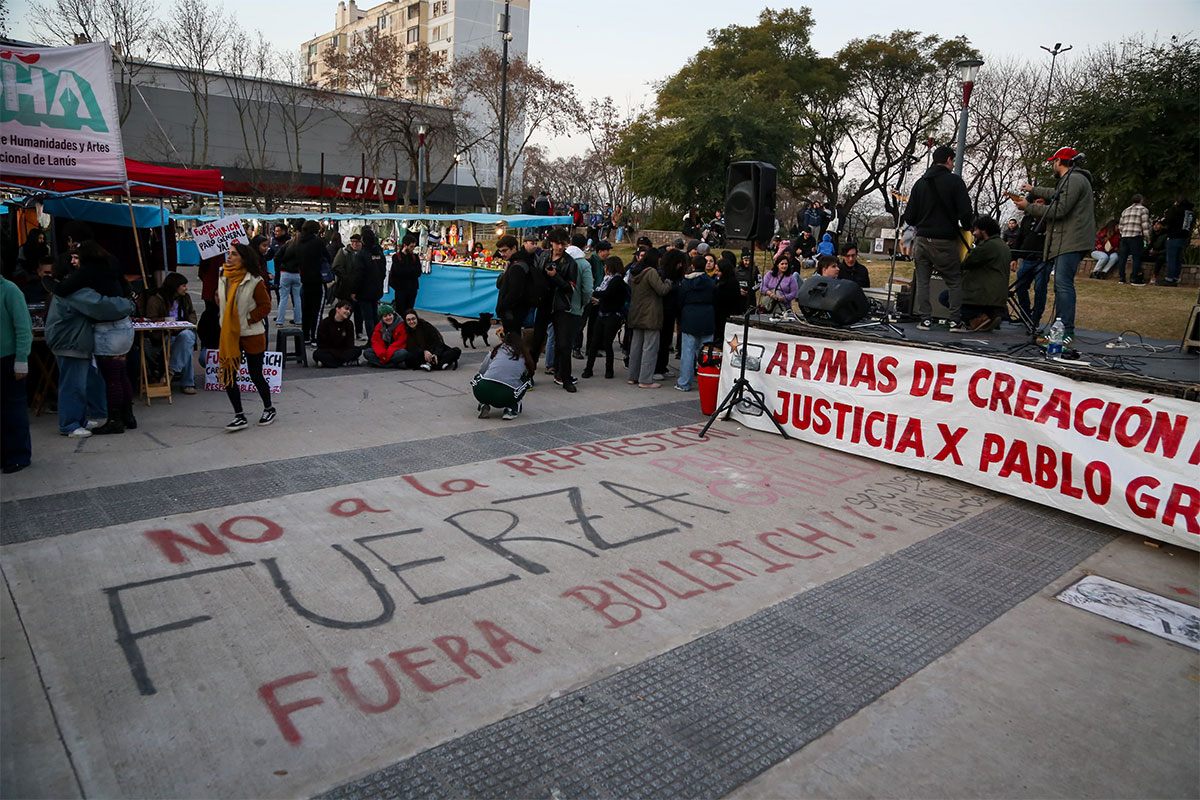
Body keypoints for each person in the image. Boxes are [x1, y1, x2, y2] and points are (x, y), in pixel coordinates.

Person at [1015, 146, 1095, 343]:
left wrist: (1029, 207)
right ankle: (1059, 329)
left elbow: (1059, 209)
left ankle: (1065, 331)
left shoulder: (1075, 180)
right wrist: (1033, 189)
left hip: (1071, 241)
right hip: (1068, 240)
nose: (1052, 164)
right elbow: (1056, 193)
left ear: (1059, 161)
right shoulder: (1071, 180)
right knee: (1061, 286)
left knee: (1064, 285)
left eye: (1054, 161)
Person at [55, 241, 137, 434]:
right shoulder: (111, 263)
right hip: (123, 325)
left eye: (76, 257)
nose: (73, 261)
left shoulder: (89, 270)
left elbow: (62, 289)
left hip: (107, 329)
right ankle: (128, 416)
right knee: (121, 373)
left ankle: (115, 420)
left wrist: (50, 281)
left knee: (111, 377)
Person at [903, 144, 973, 331]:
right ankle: (954, 321)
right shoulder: (955, 182)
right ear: (949, 160)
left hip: (922, 239)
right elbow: (966, 213)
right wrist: (967, 228)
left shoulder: (920, 183)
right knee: (954, 281)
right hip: (945, 240)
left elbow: (909, 217)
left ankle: (925, 320)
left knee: (923, 281)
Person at [217, 242, 275, 431]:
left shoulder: (254, 280)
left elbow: (265, 306)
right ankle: (239, 415)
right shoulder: (223, 276)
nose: (229, 257)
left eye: (234, 254)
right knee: (229, 374)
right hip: (229, 334)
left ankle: (269, 408)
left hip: (251, 334)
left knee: (255, 374)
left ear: (243, 258)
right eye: (229, 253)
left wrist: (248, 319)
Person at [543, 230, 593, 392]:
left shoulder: (570, 261)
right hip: (551, 305)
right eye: (557, 243)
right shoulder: (544, 257)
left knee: (561, 343)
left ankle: (563, 376)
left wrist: (555, 276)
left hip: (560, 306)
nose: (560, 247)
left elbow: (569, 287)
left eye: (563, 244)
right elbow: (586, 290)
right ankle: (539, 375)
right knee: (548, 341)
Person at [943, 215, 1011, 332]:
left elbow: (967, 263)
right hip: (998, 294)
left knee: (945, 297)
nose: (973, 233)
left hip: (984, 293)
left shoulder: (987, 246)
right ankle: (989, 315)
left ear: (983, 230)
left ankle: (977, 318)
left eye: (975, 230)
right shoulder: (1002, 245)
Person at [144, 272, 199, 394]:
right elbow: (151, 319)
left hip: (182, 333)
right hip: (163, 336)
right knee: (186, 345)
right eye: (183, 285)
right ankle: (188, 383)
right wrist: (169, 324)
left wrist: (186, 324)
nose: (186, 288)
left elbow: (192, 314)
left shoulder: (185, 298)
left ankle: (170, 372)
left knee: (187, 337)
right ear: (175, 286)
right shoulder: (156, 299)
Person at [1, 275, 33, 473]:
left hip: (9, 358)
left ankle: (18, 455)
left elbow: (23, 327)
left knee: (13, 408)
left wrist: (21, 360)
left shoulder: (10, 290)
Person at [626, 248, 671, 388]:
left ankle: (633, 376)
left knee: (636, 347)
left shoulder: (634, 272)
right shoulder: (651, 272)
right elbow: (662, 290)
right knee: (650, 347)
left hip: (636, 312)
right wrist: (669, 281)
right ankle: (645, 379)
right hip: (650, 314)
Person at [674, 255, 716, 392]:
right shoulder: (710, 282)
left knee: (687, 352)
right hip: (707, 316)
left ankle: (684, 382)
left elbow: (680, 300)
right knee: (706, 351)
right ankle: (706, 378)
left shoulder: (686, 282)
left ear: (692, 266)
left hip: (689, 316)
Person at [473, 330, 534, 420]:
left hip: (482, 392)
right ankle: (511, 409)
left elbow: (482, 370)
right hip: (506, 396)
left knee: (477, 377)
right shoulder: (524, 356)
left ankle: (484, 403)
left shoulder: (495, 351)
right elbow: (527, 373)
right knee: (527, 381)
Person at [582, 256, 626, 380]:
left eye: (606, 266)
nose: (605, 268)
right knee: (594, 343)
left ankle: (609, 370)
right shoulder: (607, 279)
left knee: (607, 343)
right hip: (603, 314)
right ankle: (588, 369)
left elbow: (608, 294)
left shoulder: (617, 280)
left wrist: (592, 293)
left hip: (612, 316)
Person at [1013, 198, 1051, 328]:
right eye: (1035, 202)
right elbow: (1020, 238)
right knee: (1020, 287)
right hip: (1027, 258)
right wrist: (1014, 257)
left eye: (1040, 202)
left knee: (1040, 289)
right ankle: (1025, 314)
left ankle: (1035, 318)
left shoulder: (1050, 220)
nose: (1037, 204)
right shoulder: (1027, 219)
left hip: (1042, 260)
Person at [353, 228, 387, 342]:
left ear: (362, 239)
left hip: (365, 290)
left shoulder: (362, 254)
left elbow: (358, 275)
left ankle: (373, 341)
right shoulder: (379, 253)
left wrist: (355, 291)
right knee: (375, 316)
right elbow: (383, 271)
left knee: (368, 317)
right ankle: (378, 338)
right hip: (376, 288)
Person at [1114, 193, 1152, 286]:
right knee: (1136, 257)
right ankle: (1134, 278)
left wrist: (1123, 233)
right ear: (1141, 201)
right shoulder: (1143, 210)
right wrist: (1147, 237)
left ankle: (1122, 278)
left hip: (1125, 236)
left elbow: (1121, 225)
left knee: (1123, 258)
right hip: (1136, 236)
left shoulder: (1125, 210)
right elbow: (1145, 225)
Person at [313, 300, 362, 368]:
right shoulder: (325, 323)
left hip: (343, 351)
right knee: (317, 354)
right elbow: (321, 344)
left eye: (350, 310)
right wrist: (335, 353)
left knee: (357, 350)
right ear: (337, 309)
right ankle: (345, 362)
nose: (348, 312)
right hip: (329, 351)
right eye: (346, 309)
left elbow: (350, 343)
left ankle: (329, 363)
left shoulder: (349, 324)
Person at [332, 232, 363, 337]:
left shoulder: (363, 253)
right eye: (353, 242)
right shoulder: (344, 252)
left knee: (359, 312)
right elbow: (336, 267)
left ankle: (359, 331)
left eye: (357, 242)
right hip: (345, 288)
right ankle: (342, 331)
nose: (354, 244)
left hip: (359, 288)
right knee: (346, 311)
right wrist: (347, 277)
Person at [272, 222, 302, 328]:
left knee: (283, 298)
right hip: (297, 274)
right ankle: (298, 320)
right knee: (297, 298)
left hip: (285, 274)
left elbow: (276, 257)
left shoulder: (287, 244)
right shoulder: (301, 246)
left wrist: (280, 267)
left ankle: (280, 321)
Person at [1162, 197, 1195, 287]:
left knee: (1171, 259)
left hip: (1174, 236)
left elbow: (1168, 220)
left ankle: (1169, 279)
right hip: (1184, 237)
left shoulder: (1177, 211)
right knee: (1178, 259)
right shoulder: (1190, 213)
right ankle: (1175, 278)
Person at [390, 233, 422, 314]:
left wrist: (407, 271)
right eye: (411, 246)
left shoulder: (415, 257)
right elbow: (398, 272)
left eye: (414, 246)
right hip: (401, 289)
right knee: (400, 310)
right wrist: (410, 270)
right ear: (405, 245)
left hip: (412, 289)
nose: (413, 249)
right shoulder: (396, 257)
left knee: (410, 310)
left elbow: (418, 272)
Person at [712, 252, 741, 340]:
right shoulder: (719, 282)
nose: (716, 273)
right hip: (719, 317)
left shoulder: (731, 283)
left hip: (726, 318)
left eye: (718, 271)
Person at [760, 253, 799, 319]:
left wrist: (783, 298)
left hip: (784, 305)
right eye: (782, 264)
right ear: (777, 265)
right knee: (775, 292)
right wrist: (771, 294)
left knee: (778, 293)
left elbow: (794, 293)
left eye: (786, 264)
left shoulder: (791, 278)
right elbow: (762, 287)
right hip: (769, 302)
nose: (784, 266)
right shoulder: (770, 274)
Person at [1145, 219, 1169, 285]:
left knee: (1160, 258)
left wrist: (1156, 252)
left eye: (1158, 224)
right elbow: (1148, 246)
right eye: (1154, 224)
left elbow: (1166, 249)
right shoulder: (1152, 235)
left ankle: (1154, 276)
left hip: (1160, 254)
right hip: (1153, 253)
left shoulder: (1165, 236)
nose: (1155, 226)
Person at [735, 248, 759, 313]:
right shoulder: (736, 270)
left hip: (751, 298)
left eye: (749, 260)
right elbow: (733, 283)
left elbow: (760, 283)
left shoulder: (755, 269)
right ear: (742, 260)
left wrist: (751, 290)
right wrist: (738, 290)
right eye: (745, 260)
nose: (747, 263)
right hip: (739, 297)